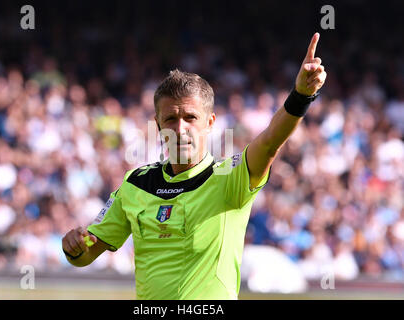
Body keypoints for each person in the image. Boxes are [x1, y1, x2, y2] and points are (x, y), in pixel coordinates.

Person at [61, 33, 327, 299]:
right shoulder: (136, 183)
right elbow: (87, 253)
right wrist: (74, 249)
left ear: (210, 122)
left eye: (190, 117)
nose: (180, 128)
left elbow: (270, 142)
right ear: (158, 124)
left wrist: (301, 96)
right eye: (171, 119)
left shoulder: (228, 177)